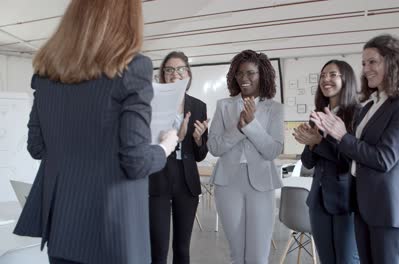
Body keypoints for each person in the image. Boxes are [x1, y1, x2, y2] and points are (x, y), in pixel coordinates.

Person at [13, 0, 179, 263]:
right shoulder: (133, 68)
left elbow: (37, 147)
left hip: (62, 227)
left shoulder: (45, 74)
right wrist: (166, 146)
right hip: (113, 233)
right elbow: (135, 162)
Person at [311, 34, 399, 264]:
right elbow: (353, 154)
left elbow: (384, 159)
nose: (366, 68)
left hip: (387, 209)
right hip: (362, 205)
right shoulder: (371, 104)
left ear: (392, 62)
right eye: (363, 63)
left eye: (373, 61)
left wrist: (341, 136)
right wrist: (321, 139)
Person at [207, 50, 284, 264]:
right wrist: (238, 129)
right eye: (239, 73)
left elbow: (273, 150)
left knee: (257, 256)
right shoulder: (224, 106)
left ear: (263, 75)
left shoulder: (275, 109)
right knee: (237, 254)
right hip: (227, 183)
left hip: (261, 183)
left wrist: (251, 125)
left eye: (251, 73)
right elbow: (214, 146)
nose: (244, 78)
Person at [293, 60, 360, 264]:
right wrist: (311, 143)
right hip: (318, 200)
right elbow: (308, 162)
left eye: (332, 75)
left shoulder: (357, 114)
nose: (326, 80)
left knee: (347, 259)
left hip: (346, 200)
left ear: (345, 79)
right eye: (322, 76)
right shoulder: (318, 115)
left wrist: (319, 142)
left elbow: (351, 161)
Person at [148, 51, 209, 264]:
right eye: (169, 69)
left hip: (187, 182)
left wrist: (198, 139)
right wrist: (174, 139)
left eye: (180, 69)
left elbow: (200, 155)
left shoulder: (199, 106)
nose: (175, 74)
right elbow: (147, 145)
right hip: (157, 180)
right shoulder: (152, 103)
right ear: (162, 75)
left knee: (182, 248)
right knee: (158, 249)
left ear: (188, 74)